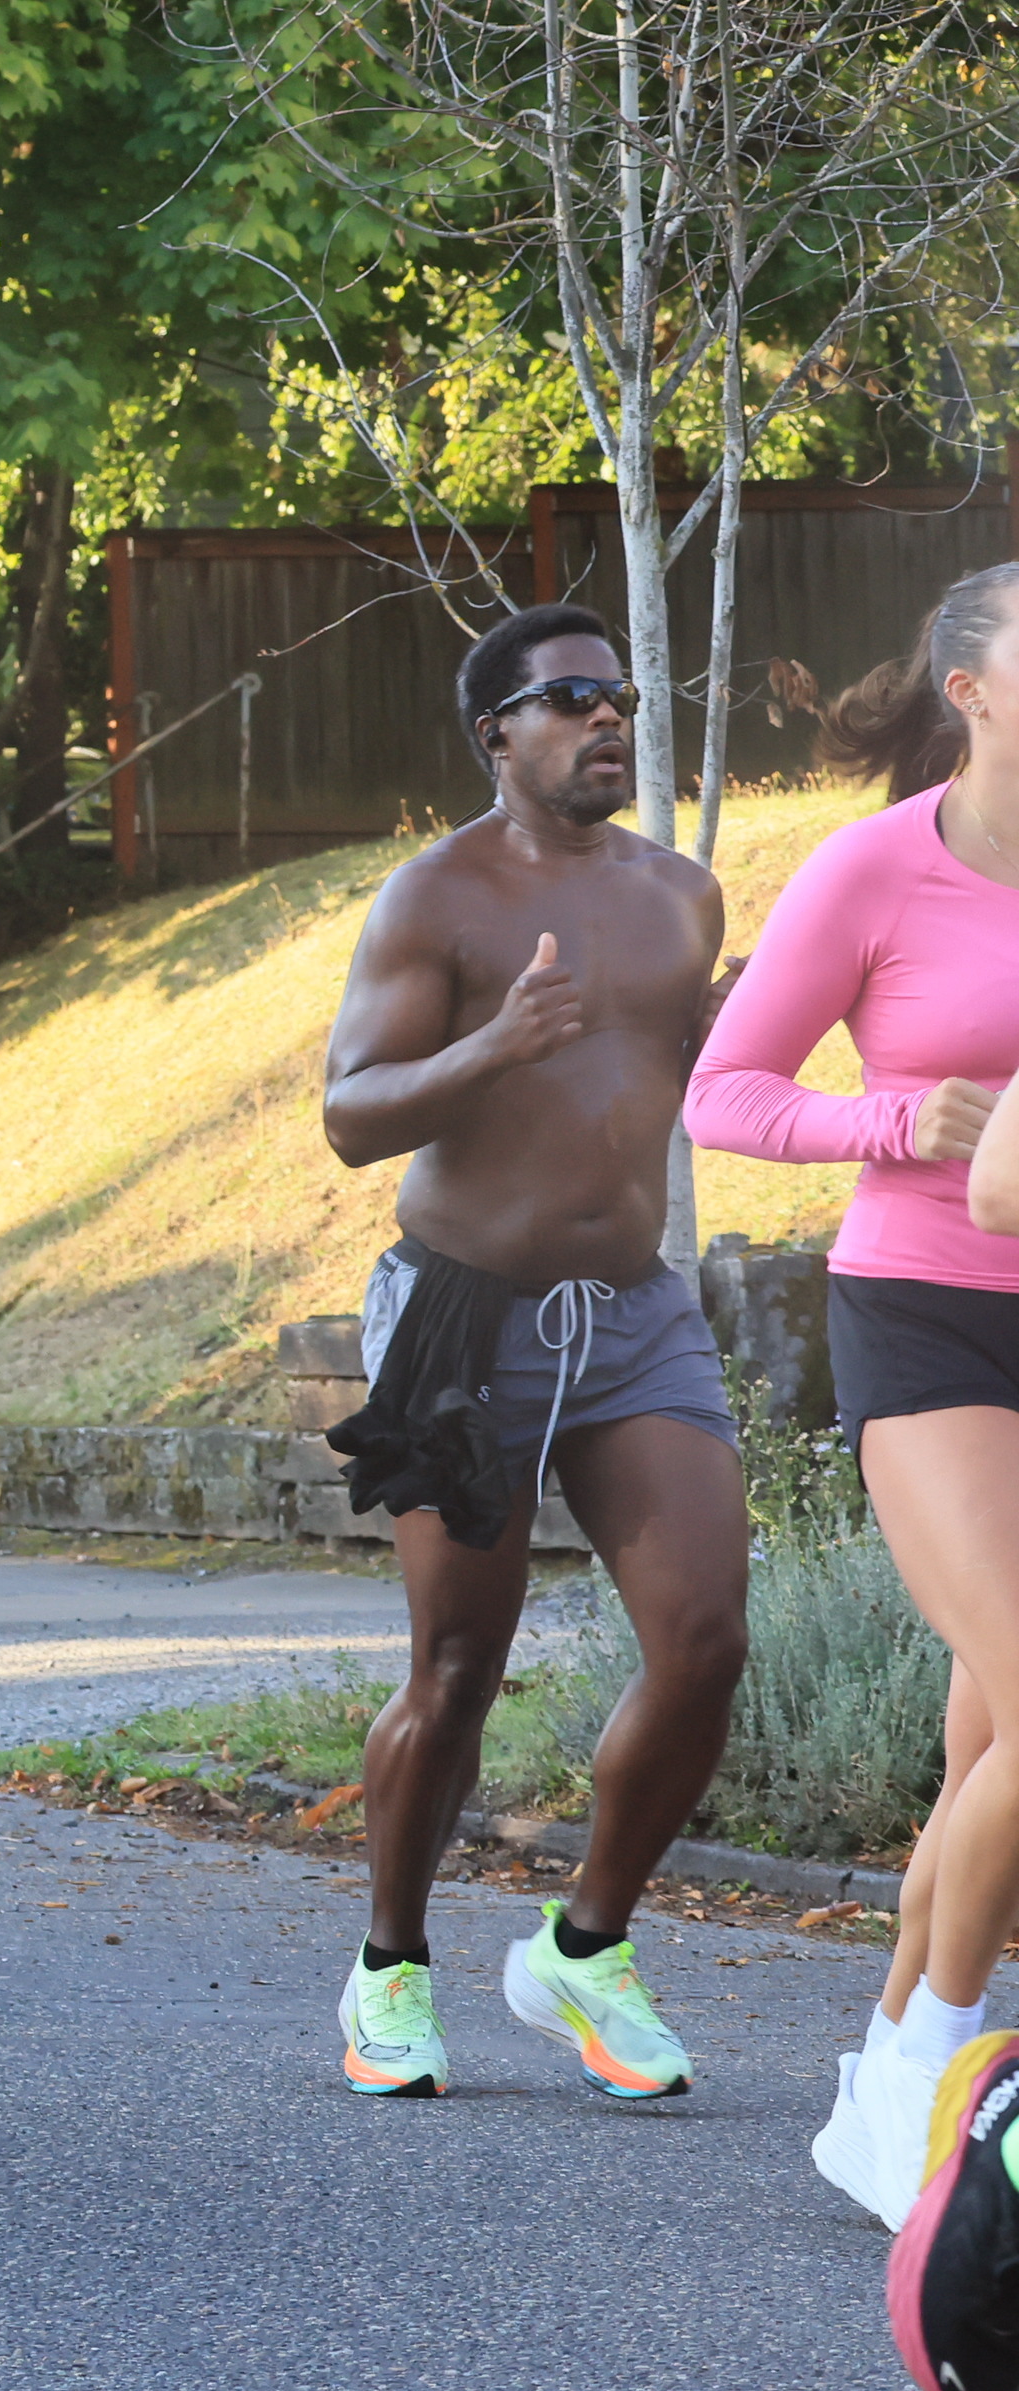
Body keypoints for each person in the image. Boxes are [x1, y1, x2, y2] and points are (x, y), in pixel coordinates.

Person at [316, 600, 745, 2105]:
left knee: (705, 1641)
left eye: (618, 693)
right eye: (571, 698)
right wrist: (492, 1044)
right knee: (457, 1668)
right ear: (497, 733)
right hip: (462, 1319)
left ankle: (585, 1947)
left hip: (634, 1313)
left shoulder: (681, 895)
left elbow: (664, 1076)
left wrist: (724, 1036)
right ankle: (390, 1967)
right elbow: (351, 1114)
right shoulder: (434, 898)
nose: (606, 716)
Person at [699, 560, 1019, 2221]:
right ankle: (930, 2082)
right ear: (969, 690)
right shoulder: (874, 869)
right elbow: (724, 1093)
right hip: (925, 1319)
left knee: (989, 1757)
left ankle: (885, 2066)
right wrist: (894, 1122)